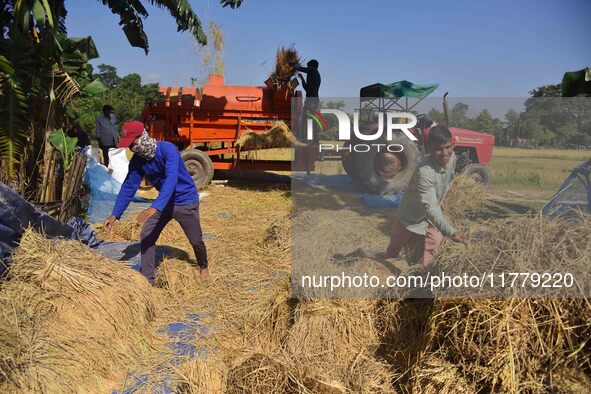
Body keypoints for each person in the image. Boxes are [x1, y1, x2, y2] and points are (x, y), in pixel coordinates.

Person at [103, 121, 209, 284]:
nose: (132, 148)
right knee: (147, 234)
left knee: (195, 239)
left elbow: (171, 179)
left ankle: (203, 266)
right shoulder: (138, 161)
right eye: (129, 145)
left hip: (185, 200)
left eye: (133, 143)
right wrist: (115, 214)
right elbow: (129, 186)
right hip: (164, 202)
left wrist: (154, 207)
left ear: (143, 137)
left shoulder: (168, 150)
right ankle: (148, 279)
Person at [385, 125, 466, 268]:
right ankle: (383, 271)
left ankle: (427, 277)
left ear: (453, 144)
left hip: (433, 215)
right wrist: (451, 231)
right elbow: (430, 208)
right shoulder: (425, 172)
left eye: (448, 147)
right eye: (438, 149)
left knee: (435, 243)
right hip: (411, 216)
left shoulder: (452, 158)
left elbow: (448, 179)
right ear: (429, 148)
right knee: (394, 248)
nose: (444, 153)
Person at [290, 59, 321, 141]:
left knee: (308, 120)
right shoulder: (314, 75)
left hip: (312, 100)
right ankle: (309, 138)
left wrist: (294, 65)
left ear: (312, 66)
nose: (308, 68)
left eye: (308, 66)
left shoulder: (313, 71)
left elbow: (301, 69)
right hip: (311, 100)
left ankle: (312, 139)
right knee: (307, 119)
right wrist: (302, 78)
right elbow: (307, 89)